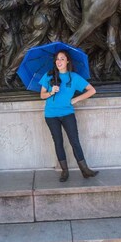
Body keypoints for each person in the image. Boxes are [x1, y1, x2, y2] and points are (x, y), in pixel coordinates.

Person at [39, 49, 98, 181]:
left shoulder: (74, 77)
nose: (59, 61)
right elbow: (42, 95)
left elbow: (92, 90)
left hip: (67, 114)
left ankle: (85, 170)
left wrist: (76, 100)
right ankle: (64, 171)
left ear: (67, 61)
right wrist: (51, 92)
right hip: (51, 115)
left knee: (74, 141)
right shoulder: (48, 76)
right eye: (57, 59)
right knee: (58, 142)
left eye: (62, 59)